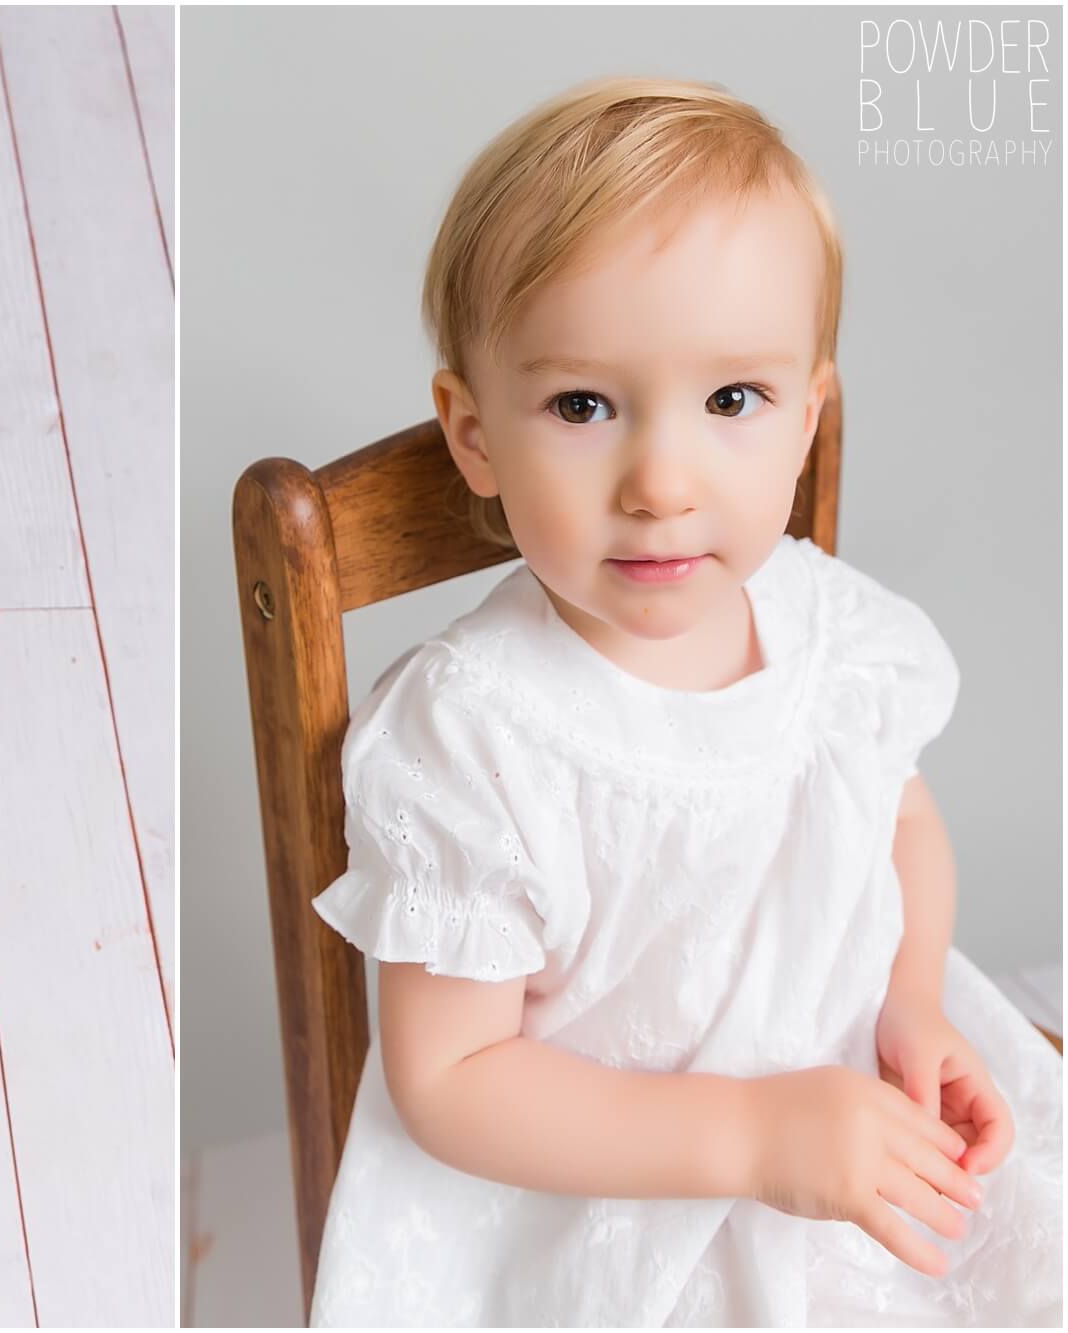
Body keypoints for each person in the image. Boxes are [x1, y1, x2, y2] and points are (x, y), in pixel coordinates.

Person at [308, 76, 1062, 1326]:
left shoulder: (831, 635)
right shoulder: (473, 735)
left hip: (834, 1112)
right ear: (474, 432)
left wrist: (909, 997)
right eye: (581, 405)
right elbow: (450, 1080)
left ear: (806, 415)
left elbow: (898, 822)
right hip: (593, 1202)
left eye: (731, 401)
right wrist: (751, 1136)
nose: (662, 480)